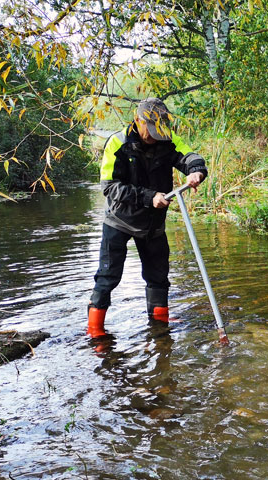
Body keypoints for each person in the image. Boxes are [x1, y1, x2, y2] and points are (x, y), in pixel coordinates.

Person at [87, 98, 207, 337]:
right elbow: (110, 187)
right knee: (108, 278)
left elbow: (188, 156)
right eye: (150, 131)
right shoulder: (118, 143)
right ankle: (95, 332)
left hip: (153, 225)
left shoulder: (166, 138)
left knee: (158, 277)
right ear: (139, 120)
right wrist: (148, 197)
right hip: (119, 221)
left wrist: (196, 170)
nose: (154, 136)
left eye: (158, 131)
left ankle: (160, 328)